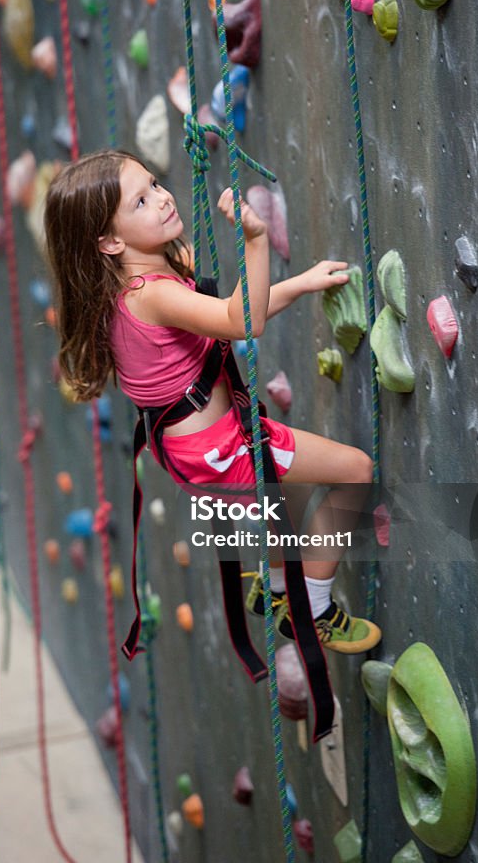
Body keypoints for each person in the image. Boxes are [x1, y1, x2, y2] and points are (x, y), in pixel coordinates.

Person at [44, 148, 381, 655]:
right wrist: (256, 238)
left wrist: (302, 283)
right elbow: (243, 321)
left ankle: (273, 588)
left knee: (285, 498)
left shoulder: (127, 286)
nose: (160, 200)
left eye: (154, 185)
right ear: (111, 241)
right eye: (140, 202)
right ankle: (311, 608)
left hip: (193, 450)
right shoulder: (151, 294)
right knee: (354, 470)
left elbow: (234, 311)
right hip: (219, 449)